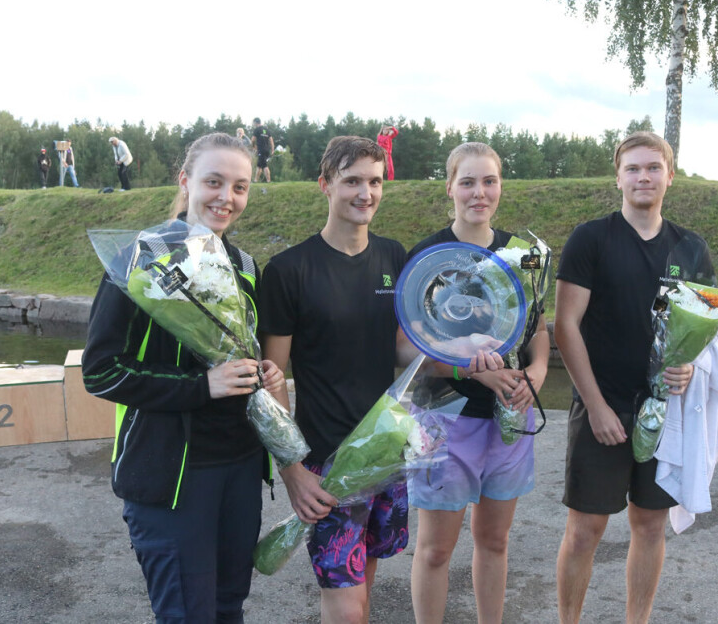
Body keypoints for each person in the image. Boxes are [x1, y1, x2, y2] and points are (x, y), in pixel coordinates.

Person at [259, 136, 499, 624]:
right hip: (328, 462)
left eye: (374, 181)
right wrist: (293, 470)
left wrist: (459, 355)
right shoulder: (289, 271)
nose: (364, 193)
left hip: (388, 454)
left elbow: (400, 349)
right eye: (352, 181)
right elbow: (272, 382)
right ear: (325, 185)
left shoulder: (394, 258)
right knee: (346, 607)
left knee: (363, 589)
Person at [82, 132, 284, 623]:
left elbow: (240, 351)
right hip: (172, 475)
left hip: (238, 467)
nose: (226, 197)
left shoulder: (245, 266)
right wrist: (203, 386)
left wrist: (264, 374)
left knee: (227, 606)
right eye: (214, 182)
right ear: (186, 181)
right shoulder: (140, 258)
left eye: (239, 187)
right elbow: (101, 371)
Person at [553, 131, 713, 624]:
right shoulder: (591, 238)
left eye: (653, 167)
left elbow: (700, 328)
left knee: (650, 525)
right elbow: (565, 326)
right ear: (618, 176)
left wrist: (689, 363)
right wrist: (597, 406)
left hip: (664, 411)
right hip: (604, 407)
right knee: (585, 531)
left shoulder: (691, 248)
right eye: (633, 168)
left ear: (670, 175)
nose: (643, 177)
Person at [407, 142, 550, 624]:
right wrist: (477, 372)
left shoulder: (521, 255)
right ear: (449, 187)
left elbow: (538, 331)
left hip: (508, 417)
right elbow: (409, 355)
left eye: (488, 181)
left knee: (494, 540)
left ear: (500, 186)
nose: (479, 192)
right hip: (444, 418)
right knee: (434, 550)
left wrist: (537, 374)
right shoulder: (426, 257)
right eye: (467, 181)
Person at [250, 118, 274, 182]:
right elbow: (271, 141)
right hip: (267, 150)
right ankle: (255, 180)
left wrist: (253, 147)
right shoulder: (267, 129)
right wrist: (272, 150)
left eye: (253, 123)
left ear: (255, 122)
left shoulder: (257, 130)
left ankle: (269, 181)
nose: (253, 124)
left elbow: (252, 140)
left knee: (264, 165)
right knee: (259, 165)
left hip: (261, 149)